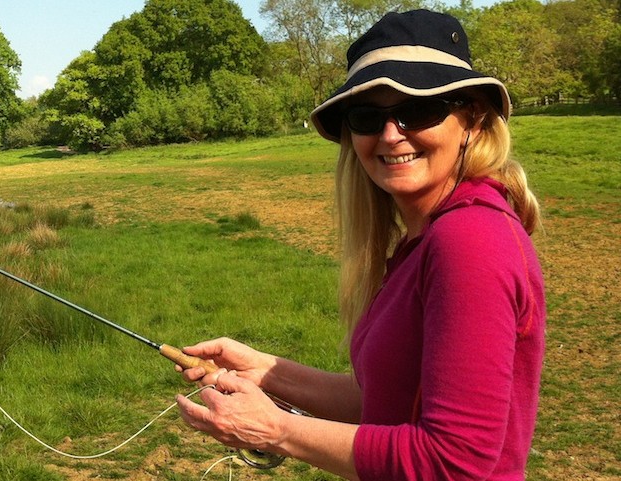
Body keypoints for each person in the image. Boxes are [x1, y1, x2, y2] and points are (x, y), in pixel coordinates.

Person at [175, 9, 546, 480]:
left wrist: (275, 430)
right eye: (369, 117)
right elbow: (382, 401)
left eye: (417, 110)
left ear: (471, 118)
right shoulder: (423, 239)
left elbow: (455, 462)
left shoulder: (469, 241)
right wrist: (267, 372)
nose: (391, 135)